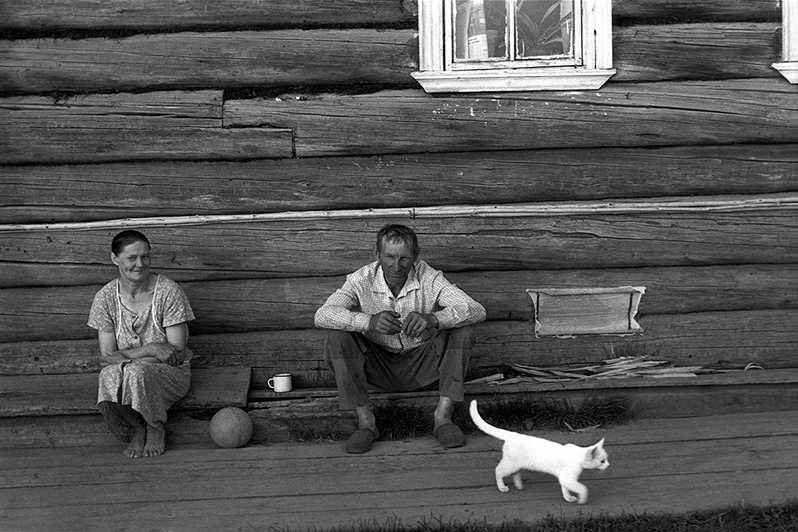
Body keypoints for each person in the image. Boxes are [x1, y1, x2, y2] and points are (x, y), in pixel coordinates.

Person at [315, 224, 486, 454]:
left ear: (416, 255)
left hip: (424, 366)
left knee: (463, 332)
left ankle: (443, 417)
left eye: (404, 258)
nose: (396, 266)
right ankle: (367, 423)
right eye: (389, 257)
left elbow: (476, 310)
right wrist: (368, 321)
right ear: (377, 254)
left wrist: (434, 319)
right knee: (337, 336)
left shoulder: (429, 277)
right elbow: (322, 315)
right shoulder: (360, 279)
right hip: (377, 368)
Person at [88, 230, 195, 458]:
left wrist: (127, 357)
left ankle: (154, 426)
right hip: (130, 372)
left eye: (145, 257)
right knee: (108, 376)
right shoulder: (105, 298)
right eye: (132, 258)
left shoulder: (168, 291)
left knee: (134, 372)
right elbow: (107, 357)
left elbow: (176, 354)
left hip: (169, 375)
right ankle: (137, 427)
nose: (140, 264)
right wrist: (152, 349)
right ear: (114, 259)